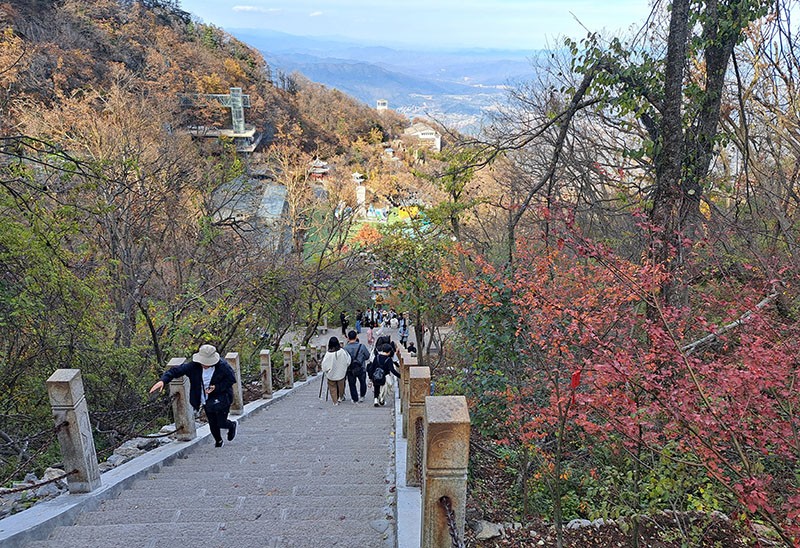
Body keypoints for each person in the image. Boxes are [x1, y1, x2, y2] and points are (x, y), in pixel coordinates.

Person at [149, 344, 237, 448]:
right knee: (212, 423)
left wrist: (216, 387)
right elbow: (175, 371)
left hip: (222, 397)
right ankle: (218, 441)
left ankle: (231, 425)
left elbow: (231, 379)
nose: (205, 364)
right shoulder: (194, 366)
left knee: (221, 422)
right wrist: (163, 381)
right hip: (205, 398)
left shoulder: (222, 366)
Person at [321, 336, 350, 405]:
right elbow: (348, 361)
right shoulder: (342, 352)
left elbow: (324, 366)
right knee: (341, 386)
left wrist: (326, 370)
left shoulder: (328, 354)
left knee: (332, 388)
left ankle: (335, 401)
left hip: (331, 374)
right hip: (341, 374)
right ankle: (341, 396)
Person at [344, 330, 370, 403]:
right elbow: (367, 356)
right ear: (356, 337)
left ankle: (355, 398)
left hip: (350, 369)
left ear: (348, 338)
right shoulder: (362, 346)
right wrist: (361, 359)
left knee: (352, 384)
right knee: (362, 382)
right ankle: (362, 396)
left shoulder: (345, 348)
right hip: (361, 367)